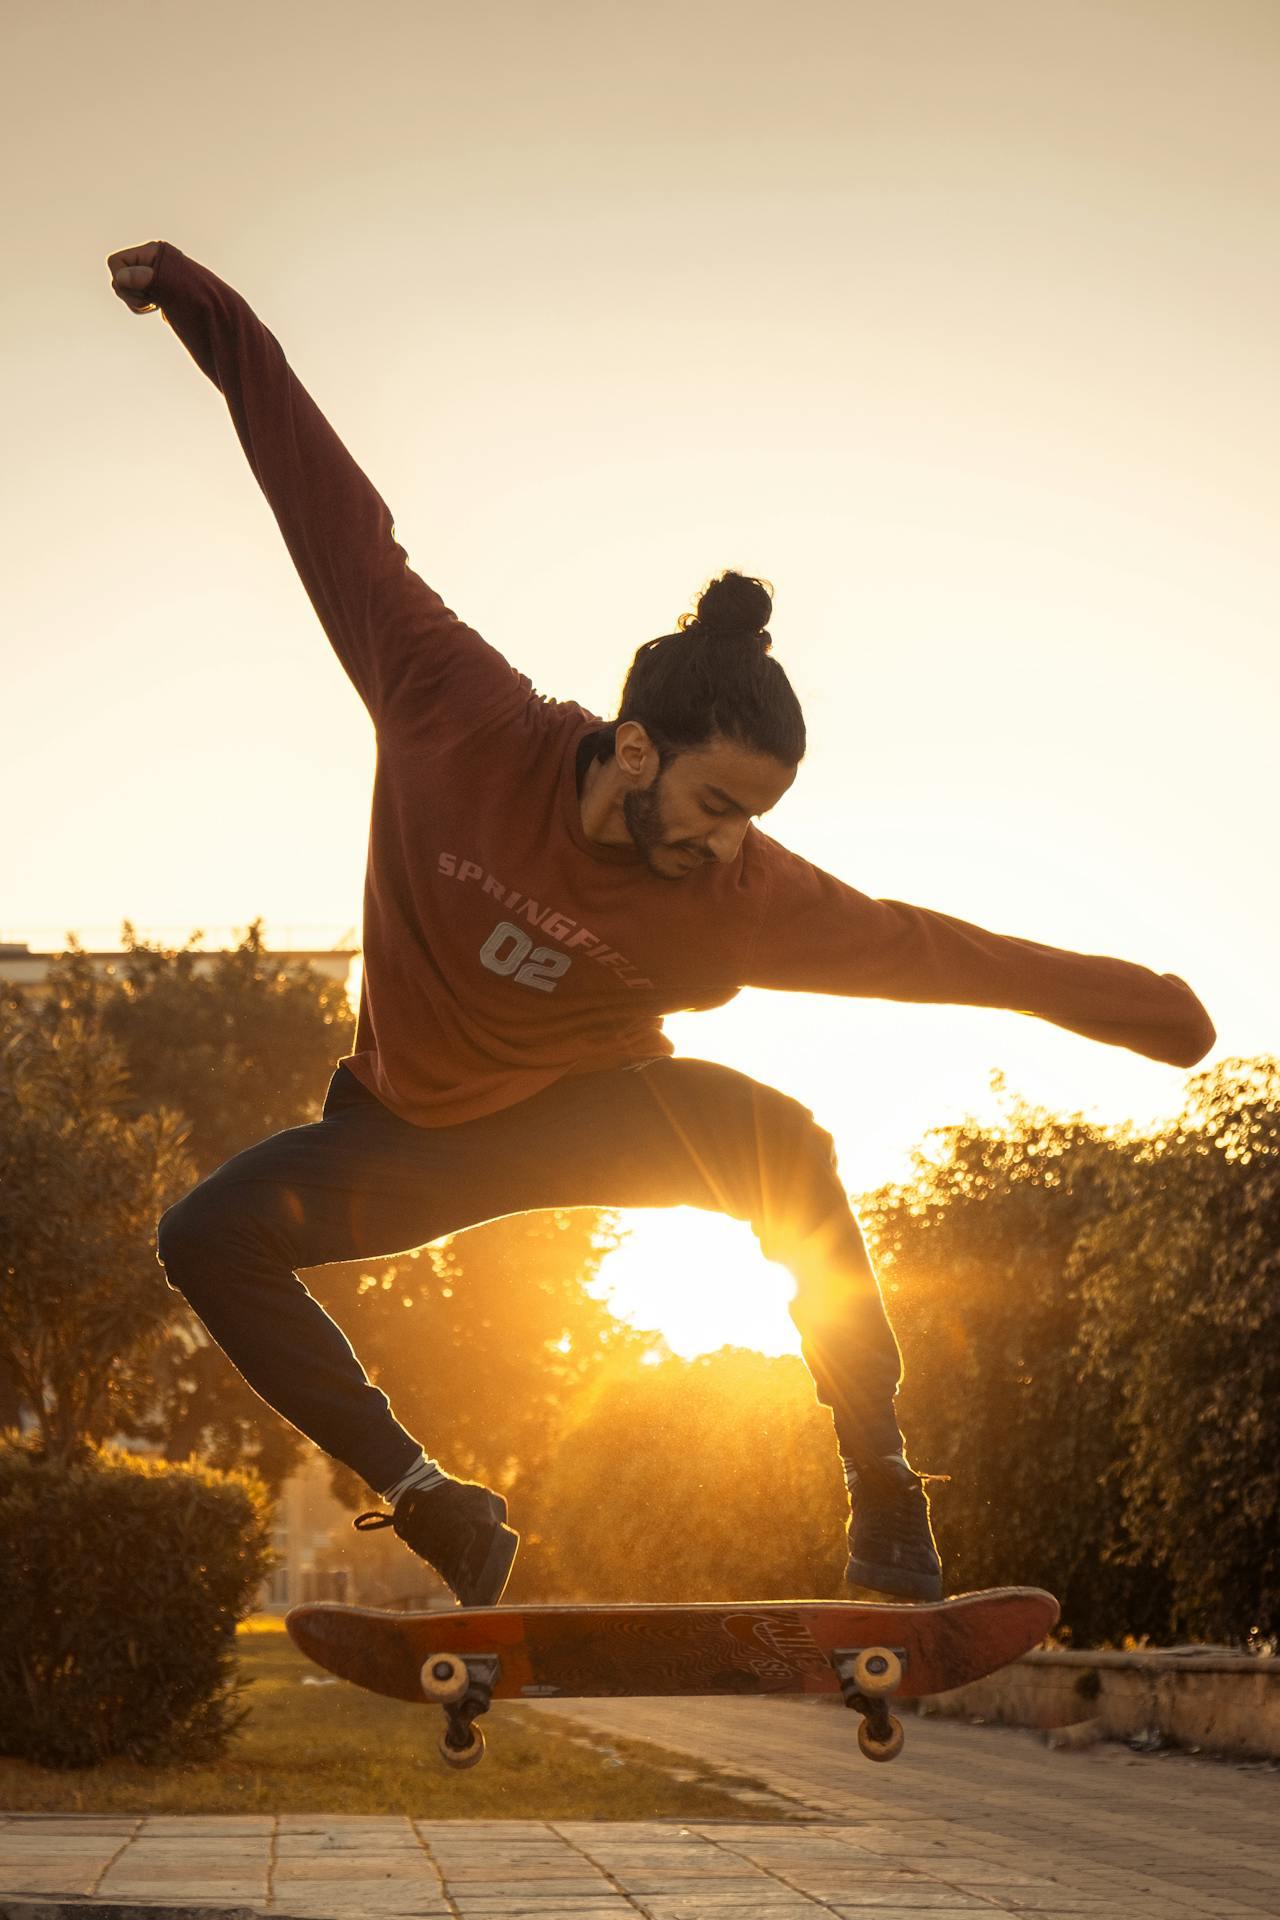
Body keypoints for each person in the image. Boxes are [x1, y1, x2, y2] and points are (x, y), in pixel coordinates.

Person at [108, 240, 1215, 1611]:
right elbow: (329, 508)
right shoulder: (452, 707)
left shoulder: (745, 900)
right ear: (634, 748)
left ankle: (882, 1487)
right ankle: (434, 1499)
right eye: (714, 803)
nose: (730, 844)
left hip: (593, 1104)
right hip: (402, 1138)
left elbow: (938, 950)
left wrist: (1139, 1006)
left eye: (754, 817)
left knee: (790, 1153)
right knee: (205, 1235)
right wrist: (197, 303)